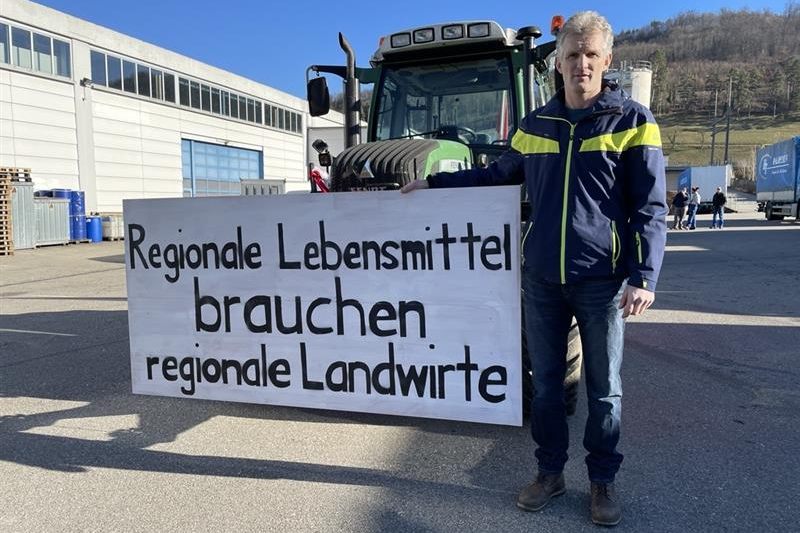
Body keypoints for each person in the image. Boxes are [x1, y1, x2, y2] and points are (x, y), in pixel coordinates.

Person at [401, 11, 667, 527]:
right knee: (544, 385)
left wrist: (644, 275)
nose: (581, 65)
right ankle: (550, 473)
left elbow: (650, 207)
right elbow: (495, 175)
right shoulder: (535, 126)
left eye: (591, 55)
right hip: (542, 278)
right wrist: (433, 185)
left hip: (603, 280)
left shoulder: (633, 121)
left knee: (603, 387)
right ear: (558, 64)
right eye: (572, 55)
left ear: (607, 60)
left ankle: (602, 481)